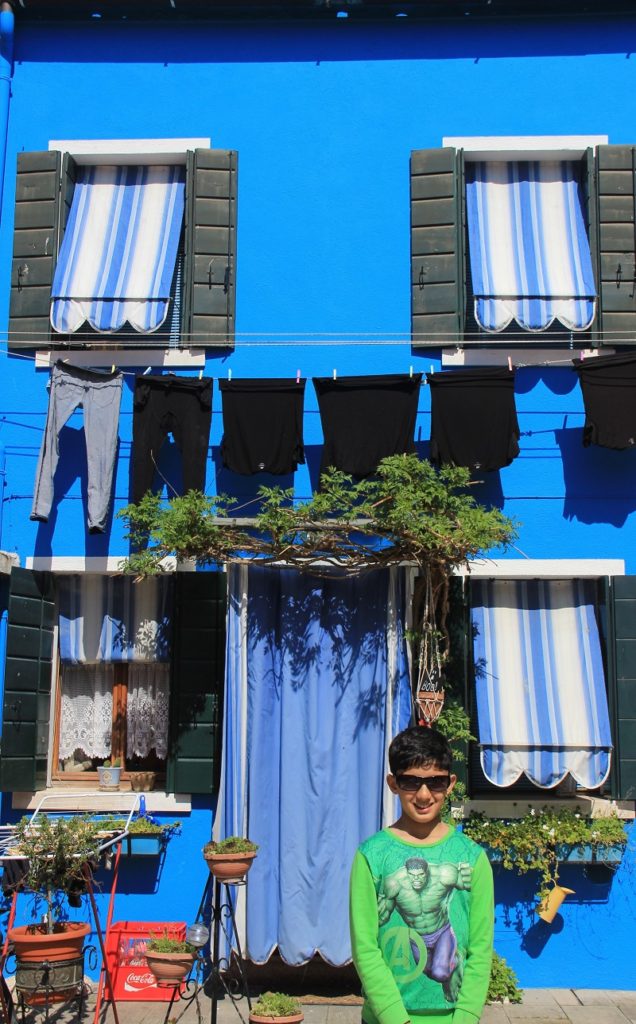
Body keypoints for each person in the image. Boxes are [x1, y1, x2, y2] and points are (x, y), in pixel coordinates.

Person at [349, 726, 494, 1024]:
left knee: (441, 970)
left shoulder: (472, 858)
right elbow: (365, 948)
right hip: (385, 1019)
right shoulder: (371, 856)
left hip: (453, 1019)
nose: (424, 795)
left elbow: (480, 949)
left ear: (451, 783)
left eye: (436, 782)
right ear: (393, 783)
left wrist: (466, 1017)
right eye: (411, 782)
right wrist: (395, 1018)